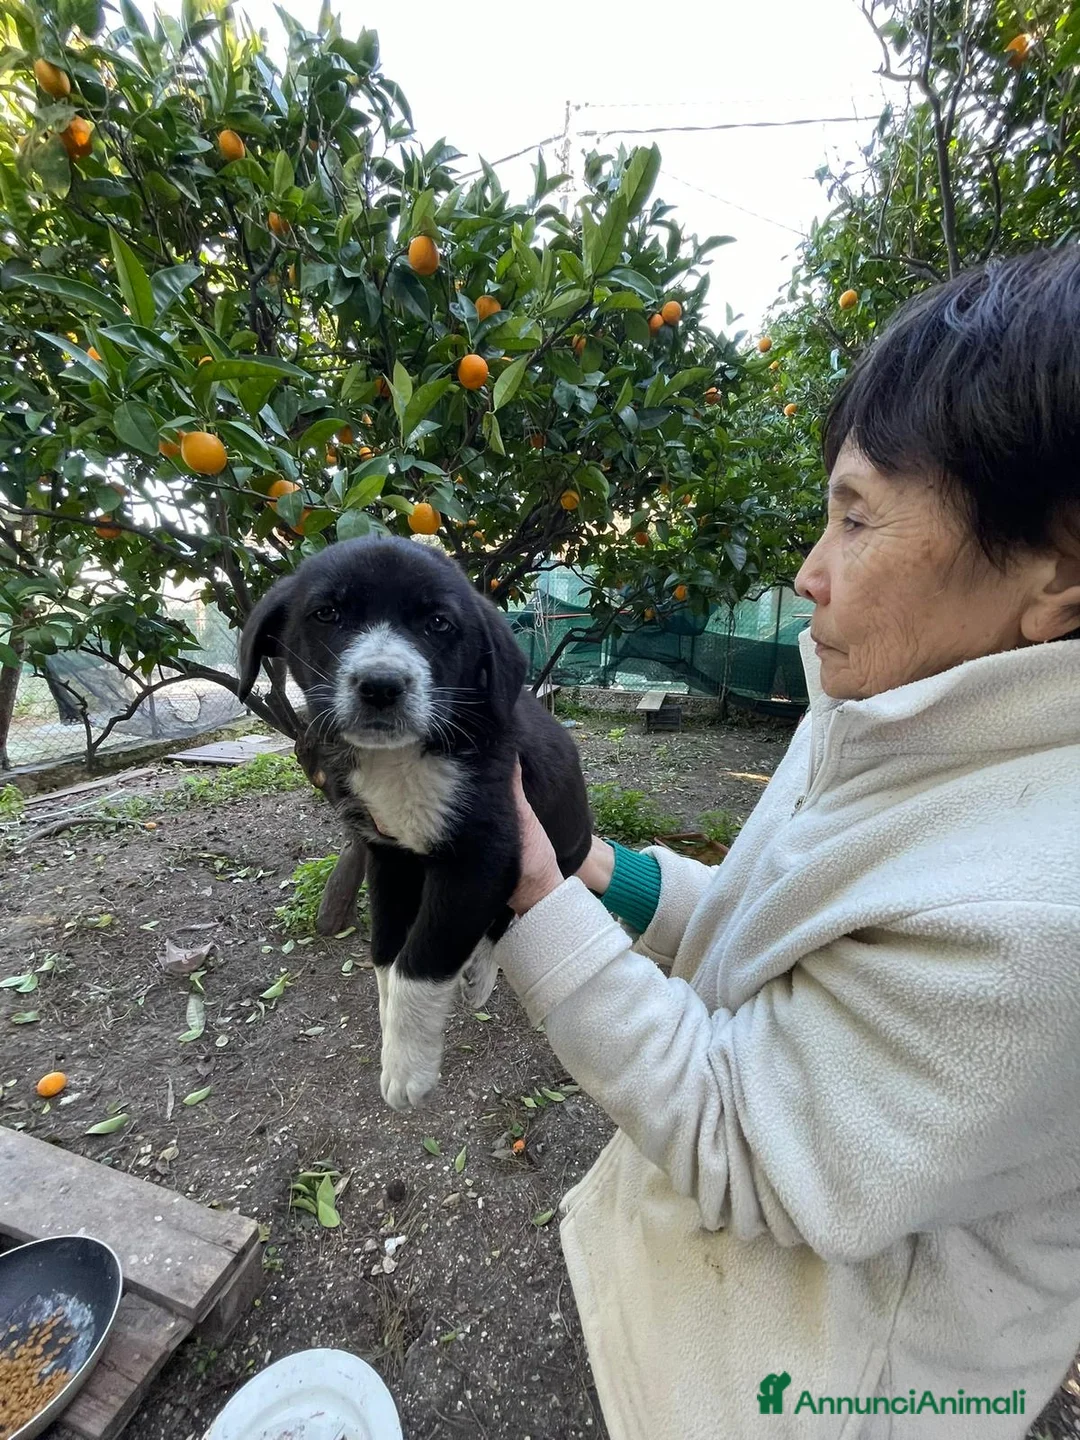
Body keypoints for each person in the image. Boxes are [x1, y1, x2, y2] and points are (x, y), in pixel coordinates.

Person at [492, 247, 1080, 1439]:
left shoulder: (1039, 917)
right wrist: (601, 874)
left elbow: (747, 1140)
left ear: (1054, 571)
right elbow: (776, 928)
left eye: (856, 516)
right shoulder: (907, 706)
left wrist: (525, 898)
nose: (808, 573)